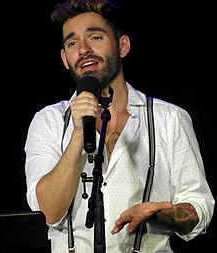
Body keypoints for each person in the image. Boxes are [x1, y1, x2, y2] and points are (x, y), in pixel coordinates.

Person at [24, 0, 215, 252]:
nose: (83, 49)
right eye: (72, 43)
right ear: (64, 58)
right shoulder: (48, 121)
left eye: (95, 37)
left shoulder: (169, 118)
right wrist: (78, 134)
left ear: (122, 46)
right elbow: (48, 212)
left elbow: (198, 207)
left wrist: (159, 214)